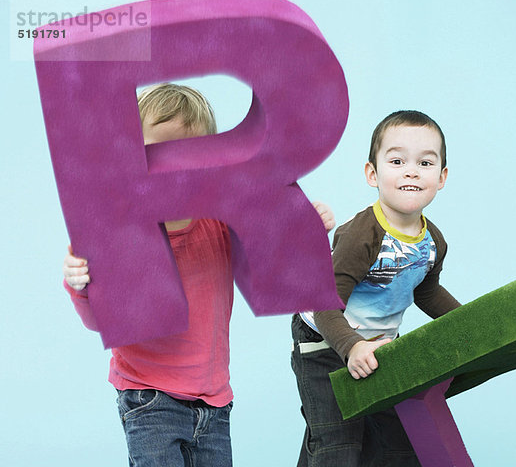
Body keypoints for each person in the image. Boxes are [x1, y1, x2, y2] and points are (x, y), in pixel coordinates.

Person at [63, 83, 335, 467]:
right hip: (148, 396)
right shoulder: (120, 235)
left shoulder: (220, 223)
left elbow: (270, 257)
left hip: (214, 401)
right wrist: (81, 285)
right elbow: (101, 319)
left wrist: (305, 228)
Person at [291, 110, 461, 466]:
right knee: (337, 444)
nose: (412, 171)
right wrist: (351, 347)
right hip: (324, 340)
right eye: (397, 160)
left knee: (398, 446)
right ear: (373, 173)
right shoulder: (362, 236)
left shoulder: (433, 242)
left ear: (442, 176)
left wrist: (470, 322)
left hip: (380, 346)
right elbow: (324, 303)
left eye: (425, 163)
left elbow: (426, 292)